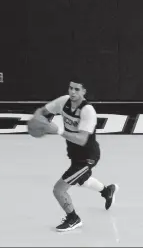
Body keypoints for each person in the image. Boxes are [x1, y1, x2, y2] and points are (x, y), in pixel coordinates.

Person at [32, 79, 119, 232]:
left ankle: (73, 218)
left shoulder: (87, 111)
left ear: (84, 92)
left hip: (88, 157)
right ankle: (107, 191)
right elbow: (42, 111)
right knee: (82, 180)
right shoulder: (63, 101)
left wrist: (57, 130)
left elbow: (82, 139)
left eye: (77, 89)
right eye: (71, 88)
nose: (72, 92)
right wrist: (37, 120)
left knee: (59, 190)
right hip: (74, 155)